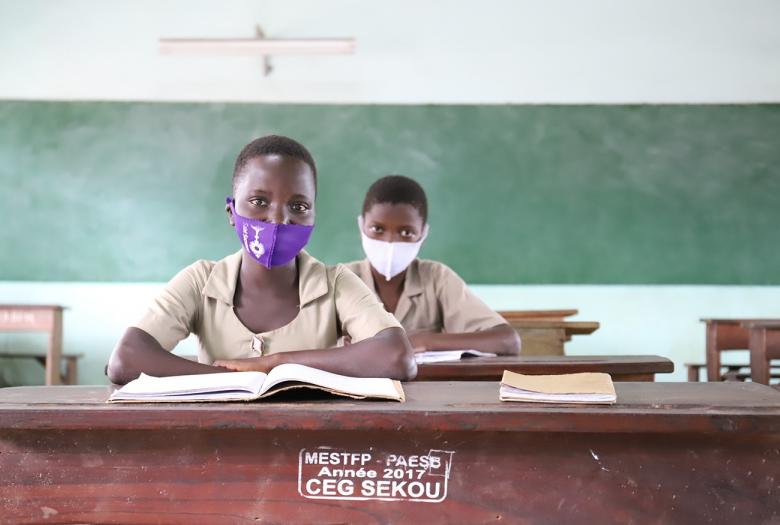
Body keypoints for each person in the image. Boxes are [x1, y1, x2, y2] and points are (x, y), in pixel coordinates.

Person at [107, 136, 416, 385]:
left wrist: (276, 363)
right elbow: (126, 361)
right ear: (232, 213)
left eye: (298, 205)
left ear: (313, 216)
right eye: (258, 202)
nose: (279, 219)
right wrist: (237, 381)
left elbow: (396, 357)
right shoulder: (200, 281)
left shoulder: (336, 283)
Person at [343, 175, 521, 355]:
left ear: (423, 234)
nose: (390, 242)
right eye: (377, 229)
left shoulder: (437, 278)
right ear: (361, 226)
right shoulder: (340, 281)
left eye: (406, 232)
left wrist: (423, 340)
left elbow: (508, 341)